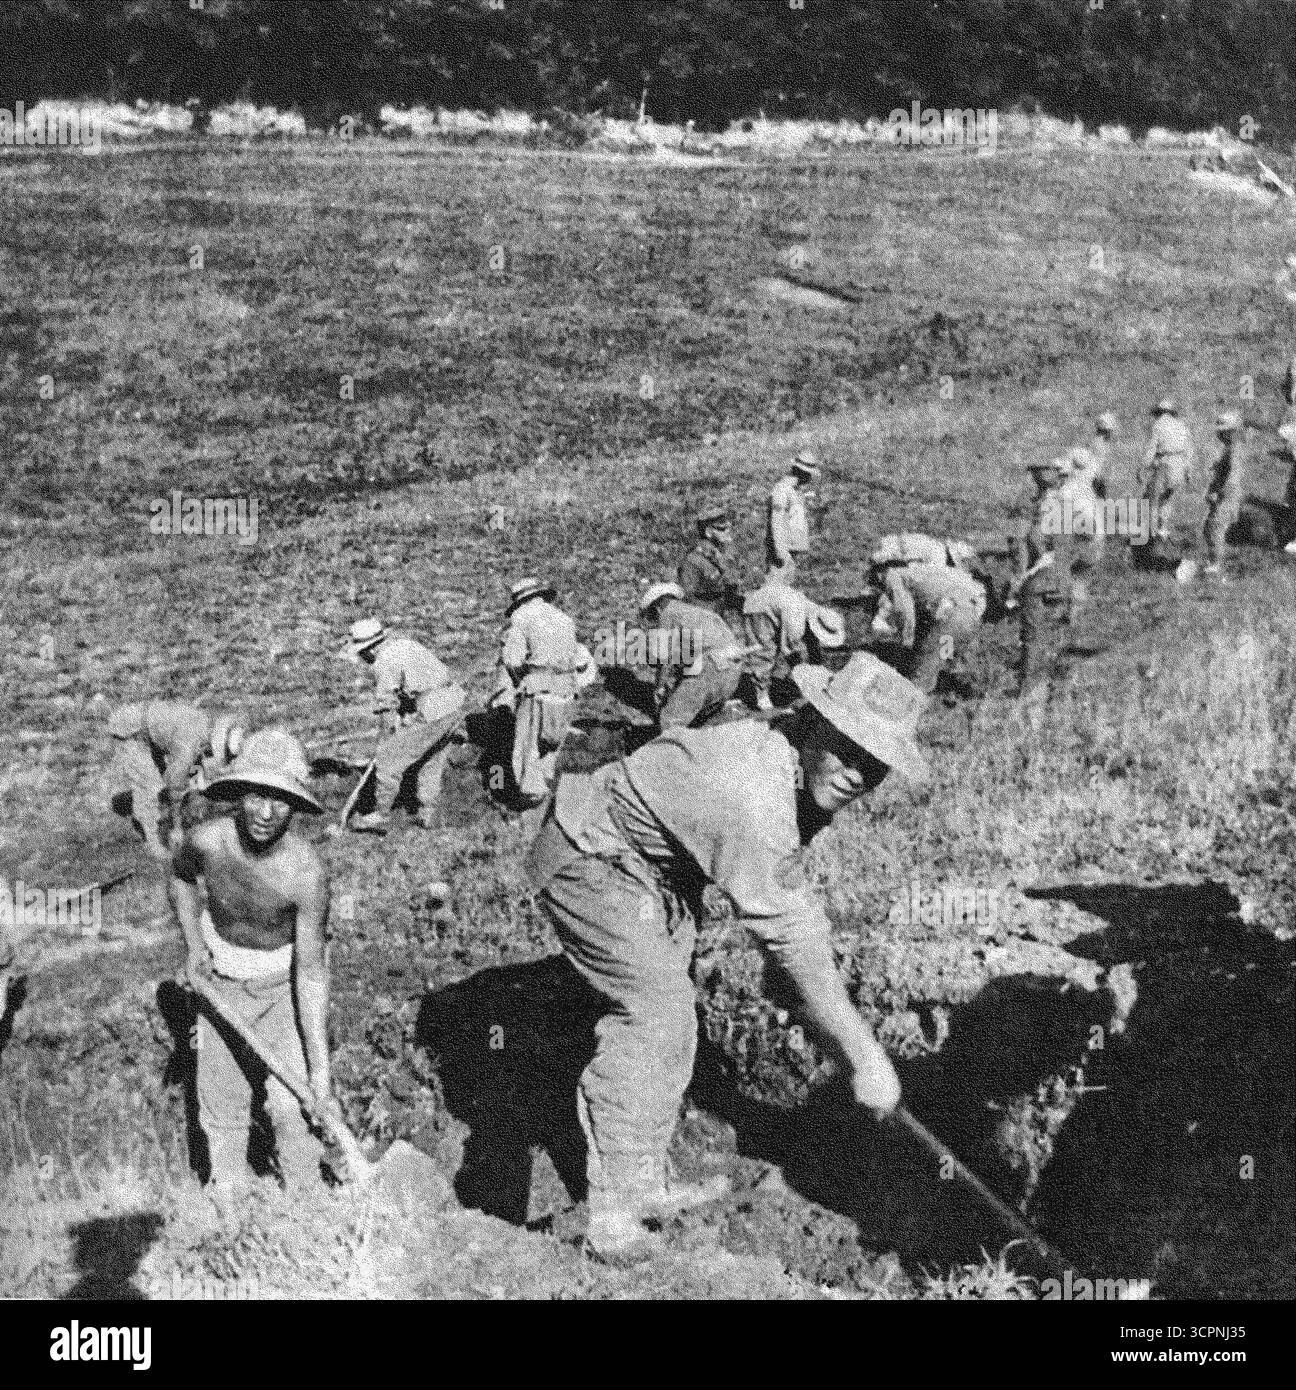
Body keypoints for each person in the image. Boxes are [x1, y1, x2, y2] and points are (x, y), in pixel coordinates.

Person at [525, 652, 925, 1257]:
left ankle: (643, 1182)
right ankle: (612, 1217)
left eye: (875, 767)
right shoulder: (752, 791)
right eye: (848, 750)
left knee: (673, 1019)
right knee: (657, 1015)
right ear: (816, 723)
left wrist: (829, 1023)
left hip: (658, 870)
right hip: (592, 855)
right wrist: (864, 1055)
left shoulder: (796, 767)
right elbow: (789, 932)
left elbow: (785, 926)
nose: (855, 776)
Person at [169, 729, 333, 1199]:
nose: (265, 812)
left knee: (292, 1106)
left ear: (296, 806)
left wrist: (319, 1072)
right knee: (222, 1105)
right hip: (220, 983)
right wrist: (195, 946)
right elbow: (180, 880)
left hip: (281, 986)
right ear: (238, 793)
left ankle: (309, 1208)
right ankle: (230, 1206)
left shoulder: (306, 875)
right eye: (256, 795)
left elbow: (311, 972)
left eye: (280, 800)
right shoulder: (207, 841)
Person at [338, 618, 466, 833]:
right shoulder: (406, 644)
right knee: (430, 759)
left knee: (388, 760)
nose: (363, 658)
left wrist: (386, 742)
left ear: (370, 648)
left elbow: (386, 707)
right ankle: (428, 813)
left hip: (433, 709)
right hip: (454, 704)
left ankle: (380, 815)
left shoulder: (384, 661)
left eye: (362, 653)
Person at [491, 578, 596, 807]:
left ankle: (527, 802)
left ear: (520, 601)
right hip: (566, 690)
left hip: (538, 689)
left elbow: (512, 659)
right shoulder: (564, 619)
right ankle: (547, 788)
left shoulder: (521, 618)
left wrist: (521, 681)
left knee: (528, 748)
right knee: (552, 744)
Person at [107, 701, 243, 858]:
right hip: (130, 730)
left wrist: (199, 794)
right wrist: (177, 828)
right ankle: (154, 841)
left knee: (194, 785)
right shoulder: (191, 743)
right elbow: (175, 786)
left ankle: (186, 821)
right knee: (151, 788)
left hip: (151, 730)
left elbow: (195, 769)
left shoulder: (204, 728)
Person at [638, 582, 749, 729]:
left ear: (657, 608)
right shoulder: (702, 613)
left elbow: (663, 659)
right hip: (733, 671)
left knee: (670, 720)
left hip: (710, 667)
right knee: (701, 720)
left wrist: (659, 688)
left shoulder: (668, 614)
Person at [869, 561, 987, 696]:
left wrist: (906, 644)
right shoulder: (925, 570)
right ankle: (938, 693)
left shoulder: (893, 576)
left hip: (951, 616)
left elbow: (906, 614)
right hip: (969, 616)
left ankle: (908, 705)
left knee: (921, 669)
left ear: (879, 574)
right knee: (940, 656)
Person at [1011, 459, 1074, 696]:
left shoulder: (1032, 511)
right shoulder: (1067, 507)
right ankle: (1056, 692)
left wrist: (1018, 580)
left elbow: (1019, 548)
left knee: (1032, 640)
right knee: (1057, 638)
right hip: (1062, 581)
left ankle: (1026, 692)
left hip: (1038, 582)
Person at [742, 580, 846, 710]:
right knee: (764, 651)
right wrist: (804, 677)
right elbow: (786, 650)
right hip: (759, 607)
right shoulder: (797, 622)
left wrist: (819, 674)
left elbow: (812, 645)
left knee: (788, 654)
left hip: (775, 601)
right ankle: (761, 696)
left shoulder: (815, 611)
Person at [1140, 398, 1194, 543]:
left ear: (1159, 412)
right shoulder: (1182, 425)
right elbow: (1189, 449)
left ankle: (1151, 533)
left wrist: (1143, 467)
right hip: (1179, 464)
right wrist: (1188, 470)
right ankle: (1163, 529)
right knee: (1167, 498)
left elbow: (1151, 449)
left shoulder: (1157, 426)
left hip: (1164, 463)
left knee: (1152, 499)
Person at [677, 507, 743, 621]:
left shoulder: (723, 555)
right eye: (721, 528)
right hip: (706, 620)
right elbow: (688, 599)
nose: (728, 530)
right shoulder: (693, 560)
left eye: (728, 526)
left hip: (725, 615)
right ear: (708, 532)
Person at [766, 450, 819, 582]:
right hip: (783, 550)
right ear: (803, 473)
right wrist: (781, 551)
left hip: (791, 548)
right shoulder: (782, 490)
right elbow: (777, 521)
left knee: (786, 585)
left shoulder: (795, 491)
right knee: (777, 586)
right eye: (808, 475)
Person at [1203, 412, 1245, 575]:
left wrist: (1219, 493)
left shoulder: (1234, 449)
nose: (1218, 434)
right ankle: (1214, 559)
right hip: (1226, 494)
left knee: (1214, 527)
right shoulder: (1231, 447)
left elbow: (1233, 476)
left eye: (1222, 431)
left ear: (1230, 431)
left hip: (1228, 495)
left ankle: (1216, 564)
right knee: (1210, 528)